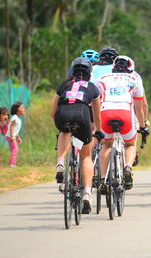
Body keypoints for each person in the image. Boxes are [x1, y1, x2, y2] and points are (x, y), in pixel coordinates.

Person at [51, 57, 103, 213]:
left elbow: (53, 112)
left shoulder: (63, 85)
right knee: (86, 157)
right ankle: (87, 193)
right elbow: (97, 114)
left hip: (62, 115)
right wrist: (98, 130)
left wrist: (60, 123)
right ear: (89, 73)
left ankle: (60, 163)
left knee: (64, 131)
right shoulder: (92, 87)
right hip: (82, 116)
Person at [96, 55, 148, 190]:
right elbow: (139, 108)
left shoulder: (102, 78)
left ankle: (102, 180)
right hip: (125, 113)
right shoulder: (135, 79)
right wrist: (142, 126)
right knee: (130, 144)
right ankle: (127, 168)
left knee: (106, 145)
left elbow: (95, 102)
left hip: (105, 112)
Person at [5, 102, 26, 168]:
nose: (24, 109)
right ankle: (12, 164)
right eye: (22, 107)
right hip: (10, 136)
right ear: (17, 110)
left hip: (11, 136)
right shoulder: (15, 117)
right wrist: (12, 136)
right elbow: (11, 127)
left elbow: (15, 130)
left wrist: (18, 137)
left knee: (13, 150)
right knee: (15, 149)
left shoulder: (17, 118)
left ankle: (11, 163)